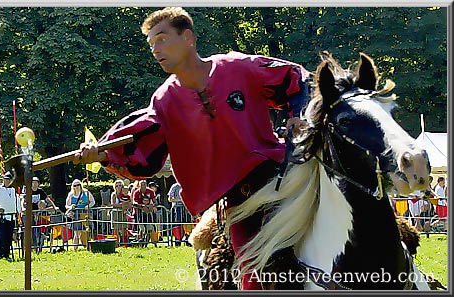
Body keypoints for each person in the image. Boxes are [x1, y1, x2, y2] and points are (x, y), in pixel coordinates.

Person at [74, 7, 309, 289]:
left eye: (161, 38)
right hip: (239, 203)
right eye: (151, 44)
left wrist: (298, 116)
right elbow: (138, 147)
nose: (155, 49)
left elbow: (294, 76)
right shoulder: (164, 102)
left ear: (188, 38)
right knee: (255, 278)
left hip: (282, 176)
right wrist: (100, 153)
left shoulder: (238, 67)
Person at [65, 179, 95, 250]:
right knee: (77, 233)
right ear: (73, 187)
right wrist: (71, 206)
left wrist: (88, 206)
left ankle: (88, 247)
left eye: (78, 185)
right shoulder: (71, 195)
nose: (77, 186)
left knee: (86, 231)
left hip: (85, 214)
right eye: (75, 185)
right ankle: (75, 248)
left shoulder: (86, 192)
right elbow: (66, 205)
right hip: (76, 215)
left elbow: (92, 201)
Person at [111, 179, 132, 245]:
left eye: (120, 185)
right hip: (115, 213)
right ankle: (116, 243)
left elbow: (130, 202)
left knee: (124, 228)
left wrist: (125, 205)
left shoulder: (126, 194)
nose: (118, 187)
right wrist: (121, 205)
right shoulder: (114, 194)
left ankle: (124, 243)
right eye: (117, 186)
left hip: (123, 213)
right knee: (116, 229)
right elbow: (113, 204)